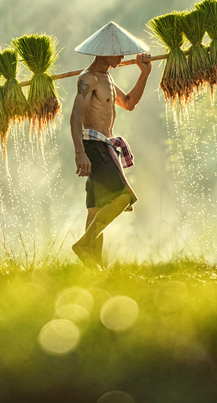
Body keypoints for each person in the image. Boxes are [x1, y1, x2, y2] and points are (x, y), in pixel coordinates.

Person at [69, 21, 153, 268]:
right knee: (122, 198)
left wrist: (144, 73)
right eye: (118, 51)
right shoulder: (89, 78)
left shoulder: (107, 78)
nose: (123, 56)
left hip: (105, 144)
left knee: (96, 210)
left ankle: (94, 268)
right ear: (104, 51)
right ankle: (84, 244)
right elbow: (75, 115)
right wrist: (80, 153)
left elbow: (128, 103)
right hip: (94, 145)